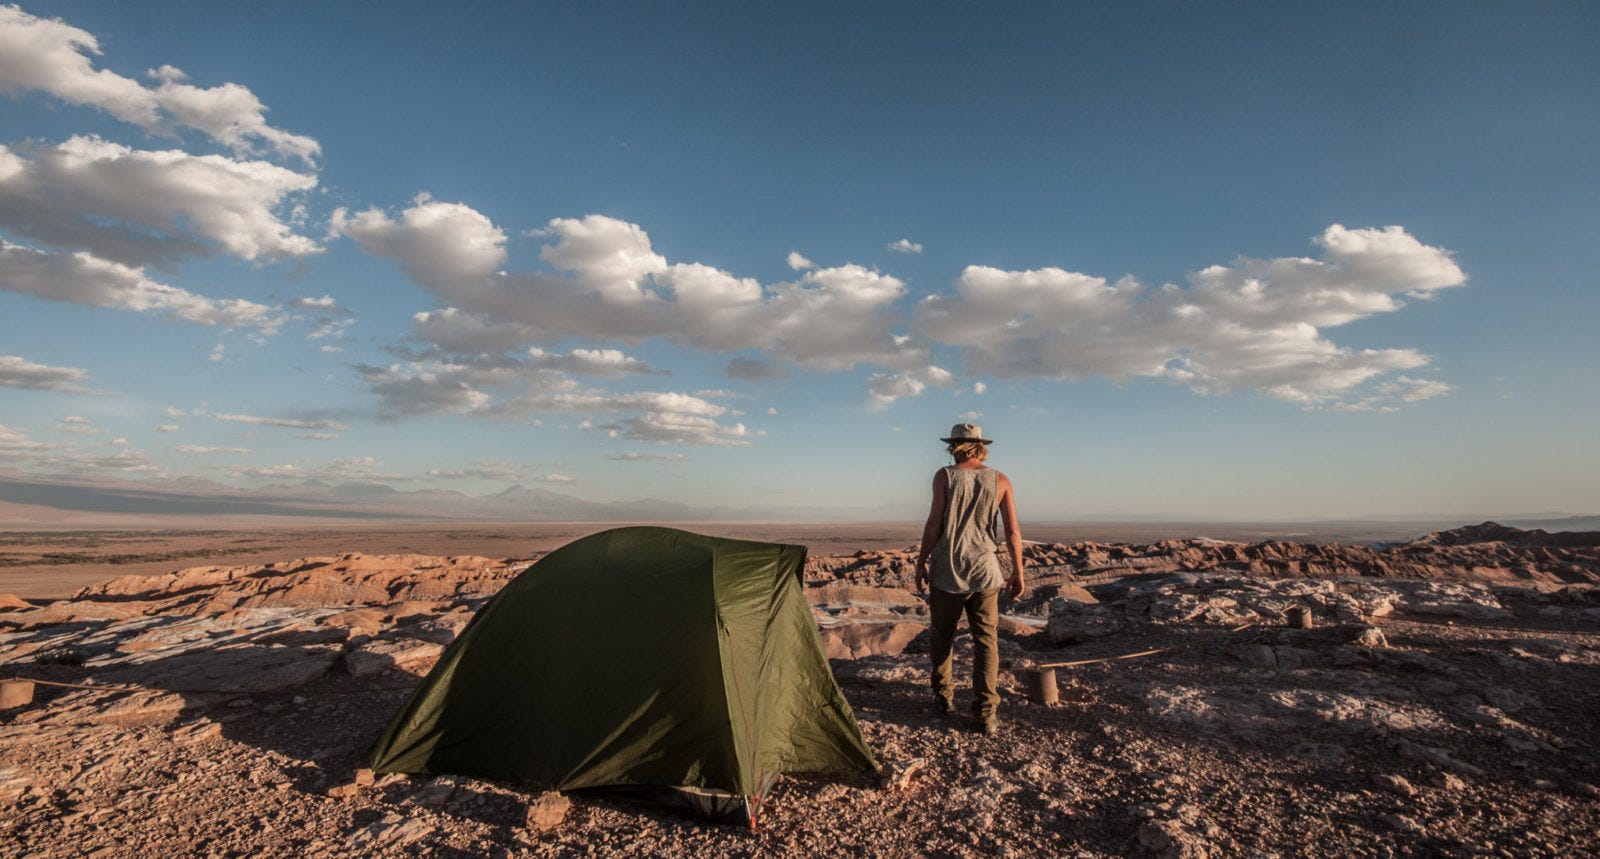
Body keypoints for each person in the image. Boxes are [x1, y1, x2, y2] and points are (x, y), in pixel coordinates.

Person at [914, 422, 1027, 736]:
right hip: (985, 572)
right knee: (986, 642)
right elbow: (1013, 532)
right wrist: (1018, 572)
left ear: (955, 446)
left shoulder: (945, 477)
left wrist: (921, 561)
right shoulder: (1000, 480)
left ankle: (944, 697)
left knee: (942, 635)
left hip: (947, 569)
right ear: (979, 446)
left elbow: (934, 523)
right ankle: (986, 712)